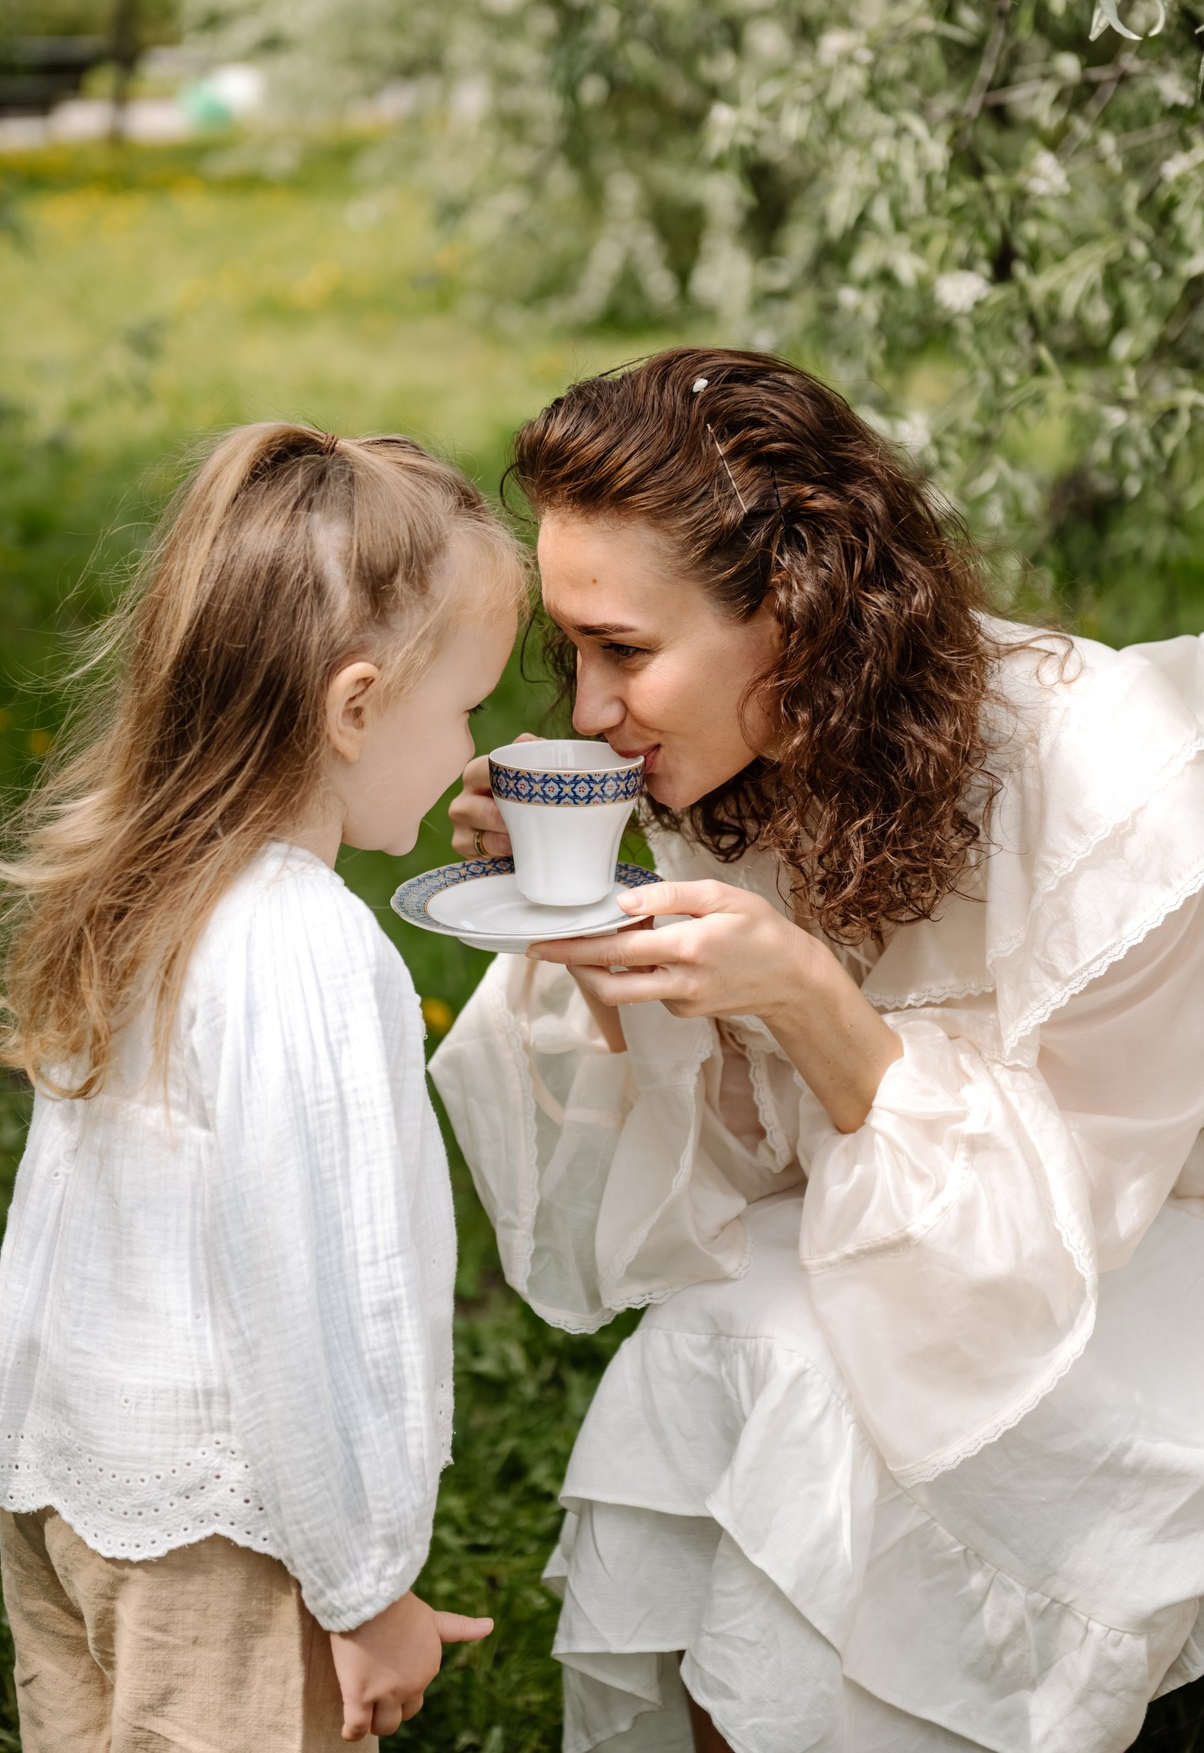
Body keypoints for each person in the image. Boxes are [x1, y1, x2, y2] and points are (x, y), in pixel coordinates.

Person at [434, 348, 1204, 1753]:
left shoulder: (1109, 801)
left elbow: (1047, 1250)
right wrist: (596, 921)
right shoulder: (744, 758)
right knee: (715, 1335)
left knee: (800, 1377)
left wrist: (808, 1001)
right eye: (576, 652)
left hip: (1142, 1255)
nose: (590, 712)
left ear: (793, 617)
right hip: (923, 1240)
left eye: (626, 650)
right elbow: (727, 1182)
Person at [0, 424, 526, 1751]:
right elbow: (304, 1289)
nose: (472, 744)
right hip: (227, 1535)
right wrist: (365, 1591)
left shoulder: (155, 885)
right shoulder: (304, 939)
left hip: (73, 1488)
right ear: (355, 707)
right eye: (466, 705)